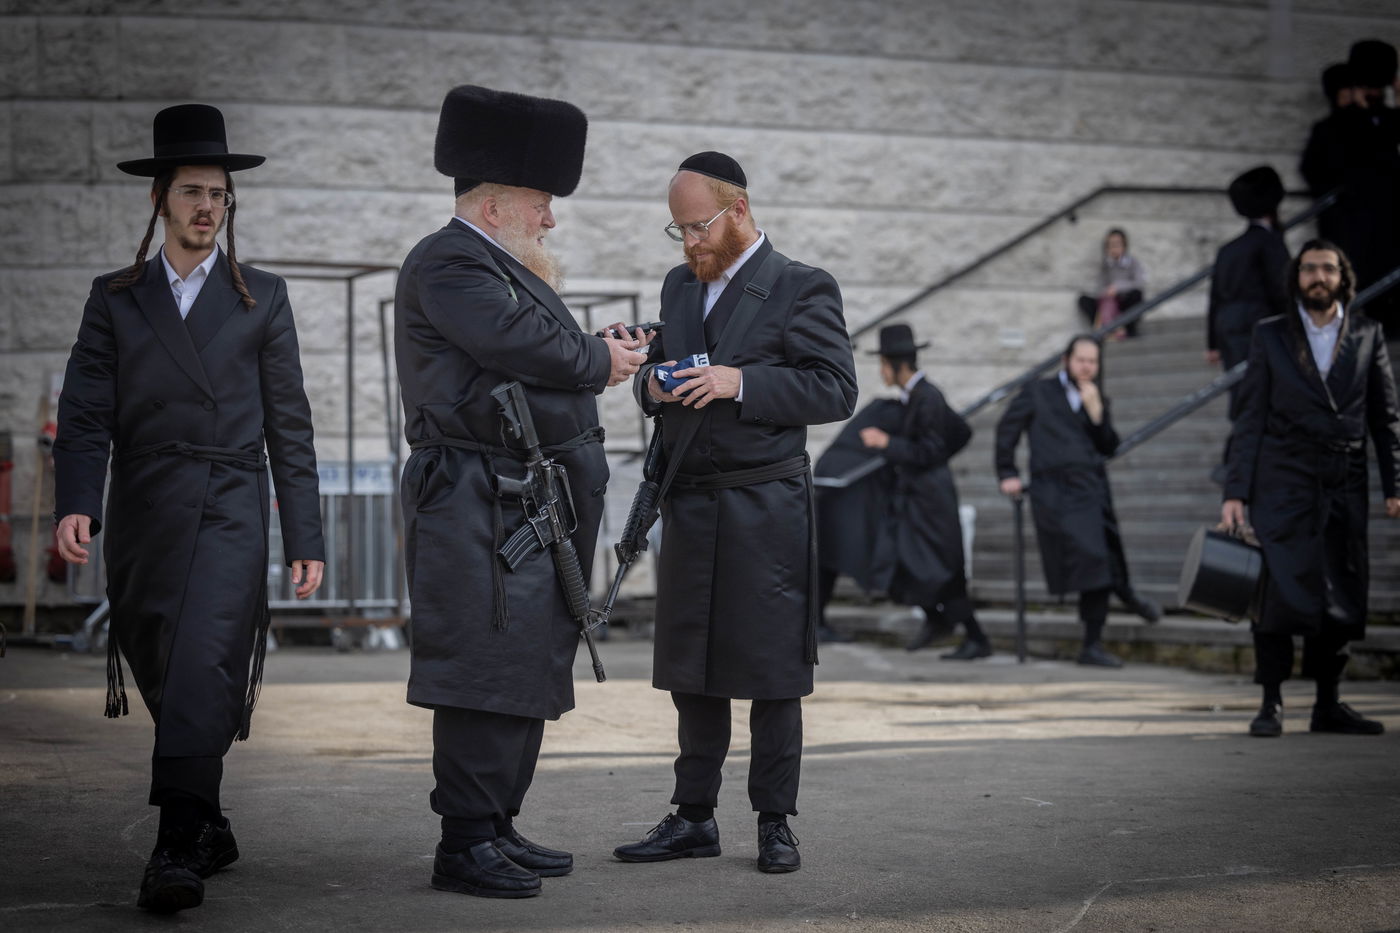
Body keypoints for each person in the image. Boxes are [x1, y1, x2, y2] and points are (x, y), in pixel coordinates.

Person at [52, 104, 326, 914]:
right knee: (163, 664)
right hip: (141, 506)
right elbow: (85, 409)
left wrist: (304, 532)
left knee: (207, 656)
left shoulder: (262, 299)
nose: (207, 206)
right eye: (192, 192)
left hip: (231, 500)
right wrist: (77, 501)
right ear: (160, 202)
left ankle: (174, 844)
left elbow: (292, 422)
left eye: (218, 194)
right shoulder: (115, 297)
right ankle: (208, 820)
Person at [394, 86, 650, 900]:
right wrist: (594, 358)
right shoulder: (448, 259)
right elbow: (514, 342)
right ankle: (463, 840)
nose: (550, 221)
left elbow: (534, 350)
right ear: (497, 204)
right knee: (482, 662)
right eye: (542, 204)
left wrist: (590, 349)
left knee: (526, 660)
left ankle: (496, 820)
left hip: (519, 498)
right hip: (470, 495)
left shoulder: (495, 263)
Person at [614, 151, 857, 874]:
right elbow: (658, 387)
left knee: (774, 670)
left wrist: (738, 380)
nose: (688, 243)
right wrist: (651, 386)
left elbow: (835, 390)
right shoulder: (678, 289)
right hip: (691, 500)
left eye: (697, 227)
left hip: (766, 502)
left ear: (738, 212)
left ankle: (775, 822)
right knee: (693, 667)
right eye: (678, 230)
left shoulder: (802, 285)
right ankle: (693, 816)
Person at [1221, 240, 1400, 738]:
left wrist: (1395, 482)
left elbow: (1385, 417)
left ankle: (1328, 703)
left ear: (1343, 276)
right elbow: (1250, 416)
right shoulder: (1271, 334)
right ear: (1295, 277)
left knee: (1339, 591)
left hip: (1343, 479)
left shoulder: (1368, 333)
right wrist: (1235, 491)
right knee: (1276, 591)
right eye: (1308, 269)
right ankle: (1270, 702)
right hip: (1282, 480)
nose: (1317, 276)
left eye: (1326, 268)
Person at [814, 325, 988, 658]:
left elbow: (929, 451)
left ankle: (975, 638)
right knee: (916, 569)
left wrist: (887, 443)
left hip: (930, 501)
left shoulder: (927, 396)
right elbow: (959, 432)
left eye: (883, 364)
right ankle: (944, 625)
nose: (881, 371)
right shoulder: (917, 396)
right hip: (918, 497)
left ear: (897, 365)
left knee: (938, 570)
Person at [993, 335, 1161, 668]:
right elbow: (1006, 429)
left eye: (1093, 362)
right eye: (1081, 360)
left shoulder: (1094, 396)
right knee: (1093, 561)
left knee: (1106, 557)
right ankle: (1097, 637)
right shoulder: (1039, 391)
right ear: (1067, 360)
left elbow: (1109, 446)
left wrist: (1097, 413)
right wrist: (1007, 472)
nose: (1087, 368)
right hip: (1056, 492)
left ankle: (1102, 629)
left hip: (1093, 489)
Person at [1299, 40, 1400, 337]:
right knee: (1354, 297)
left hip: (1390, 231)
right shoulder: (1335, 127)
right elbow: (1317, 171)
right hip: (1353, 230)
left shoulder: (1388, 120)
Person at [1206, 166, 1291, 483]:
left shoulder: (1229, 249)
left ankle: (1237, 462)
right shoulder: (1269, 243)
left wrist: (1212, 341)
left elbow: (1214, 299)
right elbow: (1282, 290)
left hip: (1230, 329)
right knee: (1254, 395)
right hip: (1258, 327)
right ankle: (1235, 462)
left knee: (1245, 393)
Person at [1076, 228, 1147, 338]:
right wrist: (1107, 291)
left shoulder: (1132, 262)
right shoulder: (1106, 265)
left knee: (1136, 295)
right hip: (1109, 302)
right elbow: (1099, 288)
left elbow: (1139, 283)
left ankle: (1129, 329)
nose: (1114, 247)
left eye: (1117, 244)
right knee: (1084, 300)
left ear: (1124, 245)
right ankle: (1104, 329)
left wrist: (1118, 287)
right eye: (1110, 245)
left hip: (1124, 301)